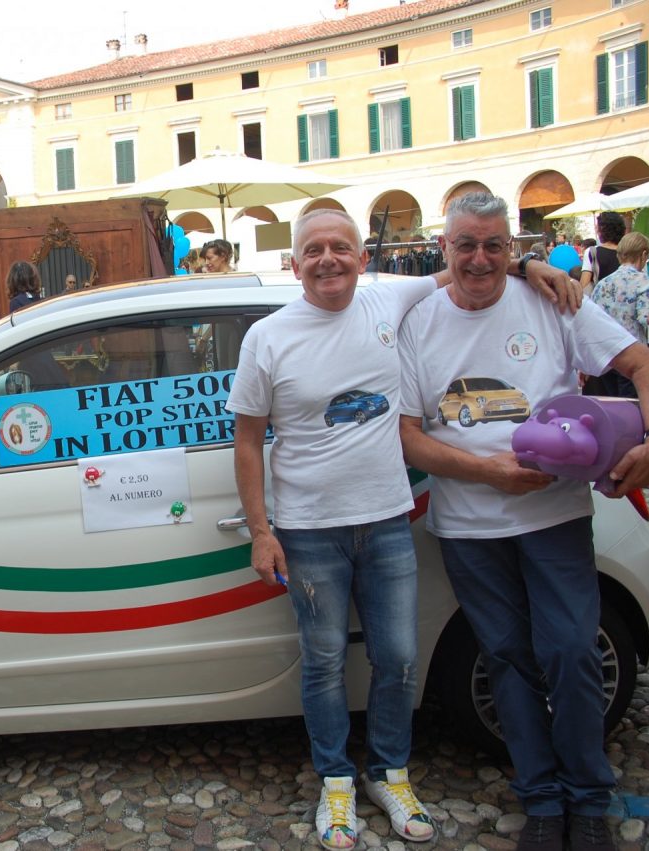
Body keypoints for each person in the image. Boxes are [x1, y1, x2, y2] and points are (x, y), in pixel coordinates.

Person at [225, 207, 577, 849]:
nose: (327, 259)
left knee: (399, 659)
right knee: (325, 661)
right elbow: (248, 442)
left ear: (362, 258)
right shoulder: (267, 337)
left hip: (387, 523)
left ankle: (390, 771)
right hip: (308, 530)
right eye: (313, 250)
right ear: (293, 262)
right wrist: (260, 529)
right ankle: (335, 781)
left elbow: (468, 266)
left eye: (340, 247)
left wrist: (532, 263)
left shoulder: (391, 300)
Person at [397, 191, 649, 851]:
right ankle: (543, 799)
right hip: (468, 529)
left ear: (513, 250)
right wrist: (490, 472)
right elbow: (406, 436)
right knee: (508, 661)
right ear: (445, 248)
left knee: (572, 651)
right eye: (467, 244)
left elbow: (648, 366)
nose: (482, 258)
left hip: (555, 516)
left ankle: (587, 798)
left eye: (497, 245)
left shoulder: (554, 301)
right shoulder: (417, 321)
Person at [586, 232, 649, 398]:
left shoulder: (603, 283)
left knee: (614, 405)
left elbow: (592, 319)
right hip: (631, 353)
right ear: (643, 254)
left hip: (605, 355)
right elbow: (645, 317)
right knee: (632, 405)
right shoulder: (642, 280)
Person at [580, 212, 625, 292]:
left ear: (602, 230)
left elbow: (584, 285)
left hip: (601, 300)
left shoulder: (592, 252)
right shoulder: (629, 252)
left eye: (597, 227)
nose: (596, 229)